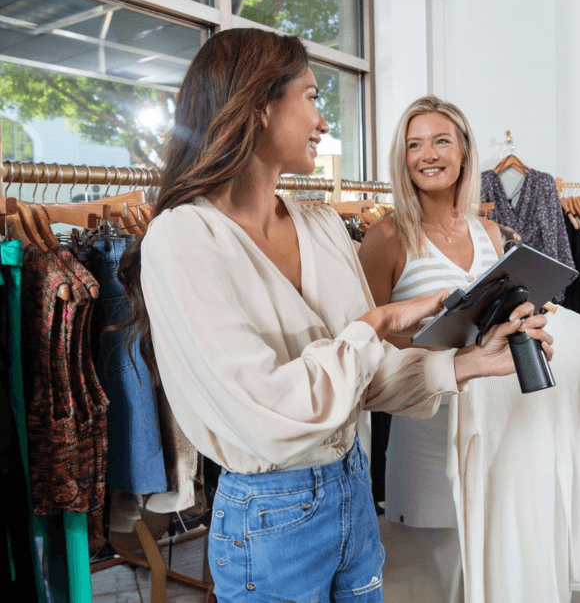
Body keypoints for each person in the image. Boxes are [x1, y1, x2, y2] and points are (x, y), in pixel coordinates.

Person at [117, 29, 553, 603]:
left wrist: (472, 362)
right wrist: (373, 324)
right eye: (313, 97)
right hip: (269, 514)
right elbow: (269, 412)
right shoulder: (183, 239)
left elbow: (363, 379)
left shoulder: (321, 225)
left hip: (351, 485)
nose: (323, 122)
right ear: (260, 105)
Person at [359, 96, 580, 603]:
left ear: (464, 151)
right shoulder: (386, 236)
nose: (427, 154)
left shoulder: (491, 232)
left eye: (440, 140)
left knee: (488, 567)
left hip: (492, 427)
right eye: (414, 144)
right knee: (434, 576)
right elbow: (368, 337)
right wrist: (446, 347)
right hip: (425, 424)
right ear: (402, 158)